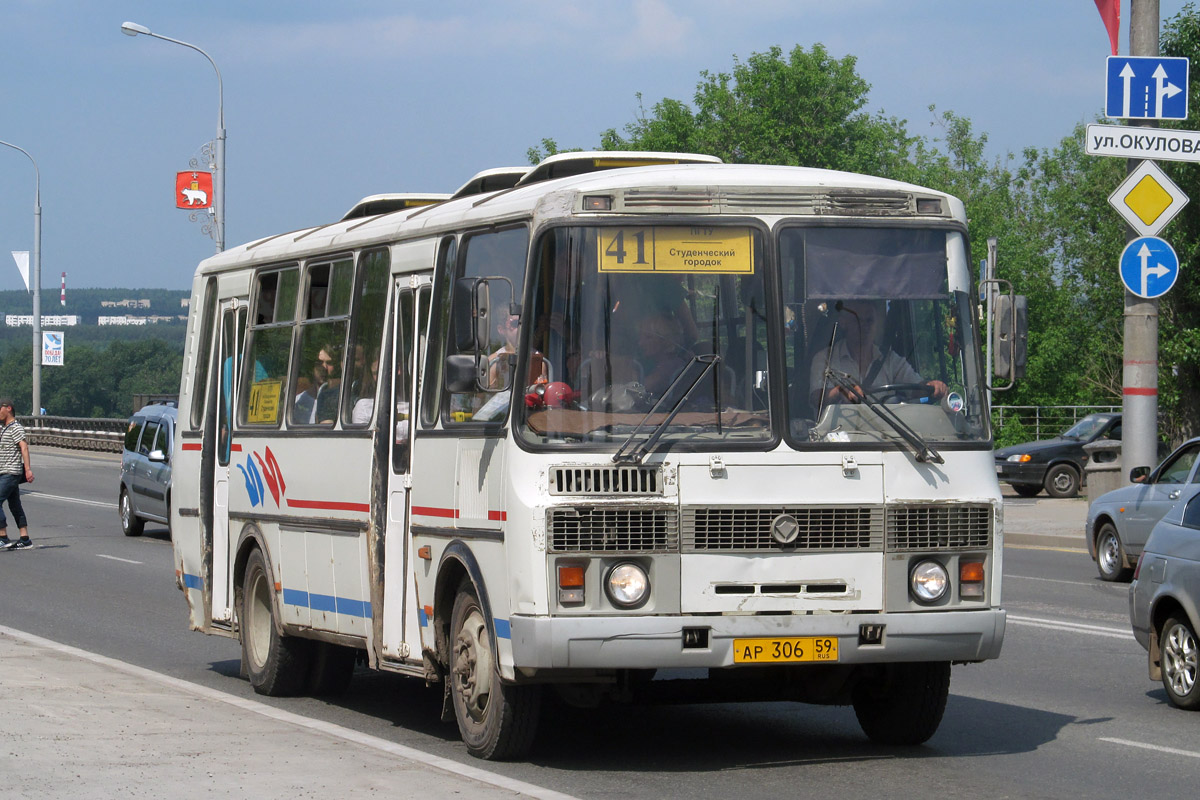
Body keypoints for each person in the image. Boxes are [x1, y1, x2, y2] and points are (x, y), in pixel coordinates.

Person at [808, 300, 947, 408]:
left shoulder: (889, 359)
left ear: (876, 325)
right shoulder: (825, 358)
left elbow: (916, 387)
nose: (865, 326)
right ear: (844, 323)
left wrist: (932, 386)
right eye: (858, 320)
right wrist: (840, 391)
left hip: (884, 436)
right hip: (839, 437)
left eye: (869, 321)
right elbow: (816, 399)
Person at [0, 399, 34, 551]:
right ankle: (25, 538)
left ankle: (2, 537)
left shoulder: (16, 428)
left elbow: (24, 447)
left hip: (11, 472)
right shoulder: (4, 428)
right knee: (15, 505)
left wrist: (27, 469)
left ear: (8, 408)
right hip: (4, 472)